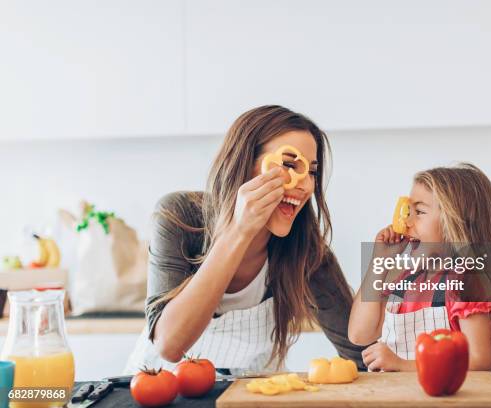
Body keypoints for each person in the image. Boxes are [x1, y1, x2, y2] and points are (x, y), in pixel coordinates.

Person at [125, 105, 364, 373]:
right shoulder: (179, 216)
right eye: (288, 165)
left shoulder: (305, 251)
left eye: (312, 171)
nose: (306, 185)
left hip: (255, 397)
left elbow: (361, 352)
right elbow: (169, 346)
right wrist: (239, 231)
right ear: (243, 163)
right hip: (162, 390)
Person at [348, 163, 491, 375]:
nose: (405, 222)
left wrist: (402, 365)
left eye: (418, 211)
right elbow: (359, 334)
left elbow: (481, 362)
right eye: (408, 211)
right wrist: (378, 261)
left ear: (455, 222)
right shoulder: (406, 277)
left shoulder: (469, 282)